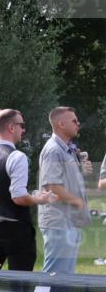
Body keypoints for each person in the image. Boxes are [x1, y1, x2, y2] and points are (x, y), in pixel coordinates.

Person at [0, 108, 54, 271]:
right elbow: (18, 197)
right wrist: (39, 199)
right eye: (21, 125)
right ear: (11, 128)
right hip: (16, 228)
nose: (23, 130)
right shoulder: (17, 156)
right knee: (20, 282)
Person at [38, 106, 93, 274]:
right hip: (59, 222)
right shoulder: (53, 150)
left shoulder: (66, 149)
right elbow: (51, 186)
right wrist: (77, 201)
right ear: (61, 124)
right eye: (74, 121)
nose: (78, 123)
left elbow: (66, 181)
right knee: (55, 275)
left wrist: (81, 171)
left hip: (68, 220)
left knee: (64, 276)